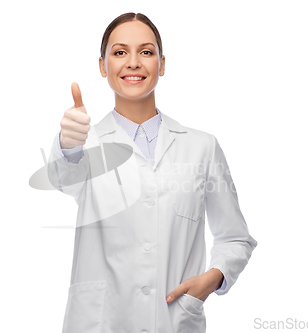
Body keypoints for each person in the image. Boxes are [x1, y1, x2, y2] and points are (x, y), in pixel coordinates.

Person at [48, 12, 257, 333]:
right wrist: (69, 143)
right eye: (119, 52)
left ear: (161, 64)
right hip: (100, 322)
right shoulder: (85, 143)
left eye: (146, 52)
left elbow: (235, 238)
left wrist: (213, 277)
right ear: (103, 66)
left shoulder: (201, 147)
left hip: (174, 320)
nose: (133, 62)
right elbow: (63, 178)